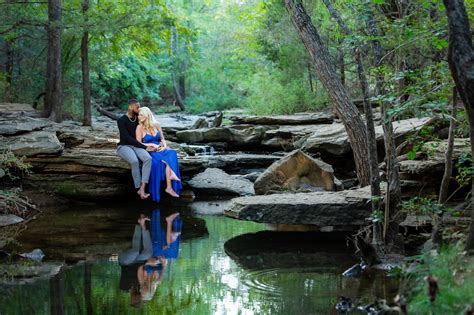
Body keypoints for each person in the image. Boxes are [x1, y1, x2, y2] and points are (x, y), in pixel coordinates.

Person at [135, 106, 182, 202]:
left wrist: (164, 146)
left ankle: (169, 187)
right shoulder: (139, 127)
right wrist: (151, 144)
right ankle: (170, 181)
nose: (139, 117)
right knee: (159, 162)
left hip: (160, 148)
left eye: (141, 115)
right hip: (150, 149)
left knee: (172, 152)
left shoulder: (157, 124)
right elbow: (138, 143)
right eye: (138, 115)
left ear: (147, 115)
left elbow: (162, 139)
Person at [116, 99, 160, 199]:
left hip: (137, 145)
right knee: (135, 161)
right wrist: (145, 147)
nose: (139, 108)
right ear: (130, 107)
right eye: (137, 107)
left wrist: (156, 141)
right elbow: (126, 138)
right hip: (124, 146)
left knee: (147, 159)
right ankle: (138, 187)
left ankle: (142, 189)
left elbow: (149, 124)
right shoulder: (121, 120)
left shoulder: (138, 118)